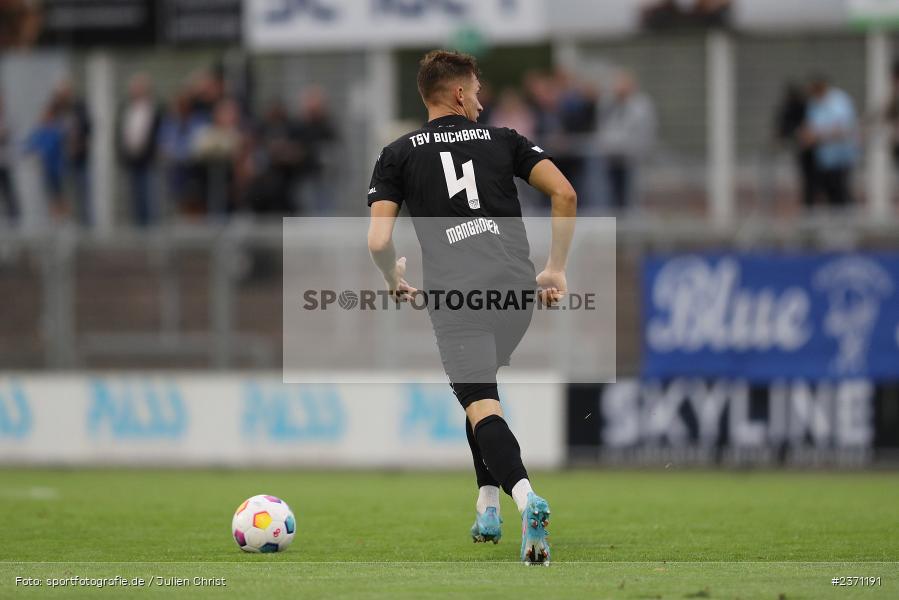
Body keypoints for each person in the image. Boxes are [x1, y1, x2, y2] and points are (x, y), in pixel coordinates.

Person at [366, 50, 576, 565]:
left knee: (480, 402)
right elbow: (565, 194)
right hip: (514, 291)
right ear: (459, 93)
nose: (481, 101)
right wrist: (556, 268)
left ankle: (525, 498)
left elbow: (377, 241)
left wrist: (391, 274)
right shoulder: (506, 140)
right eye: (477, 91)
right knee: (481, 393)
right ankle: (487, 505)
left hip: (457, 296)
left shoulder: (396, 153)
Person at [597, 71, 656, 209]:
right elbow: (604, 126)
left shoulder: (641, 105)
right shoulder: (609, 103)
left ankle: (631, 220)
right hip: (611, 157)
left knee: (631, 194)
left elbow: (641, 130)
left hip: (632, 158)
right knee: (611, 193)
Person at [801, 75, 858, 207]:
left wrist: (818, 136)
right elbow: (811, 126)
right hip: (824, 159)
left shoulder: (838, 102)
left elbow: (844, 129)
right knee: (828, 195)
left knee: (841, 195)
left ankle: (847, 225)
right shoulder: (814, 104)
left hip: (840, 158)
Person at [117, 74, 163, 226]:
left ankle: (150, 228)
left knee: (149, 195)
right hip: (131, 159)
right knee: (134, 196)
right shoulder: (126, 109)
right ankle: (137, 226)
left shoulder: (155, 109)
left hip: (148, 160)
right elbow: (120, 133)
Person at [775, 82, 817, 208]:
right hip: (804, 150)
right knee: (809, 182)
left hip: (812, 151)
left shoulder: (805, 107)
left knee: (813, 182)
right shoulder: (794, 108)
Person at [0, 93, 19, 223]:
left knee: (9, 190)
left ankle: (14, 218)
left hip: (5, 160)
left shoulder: (8, 117)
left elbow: (5, 134)